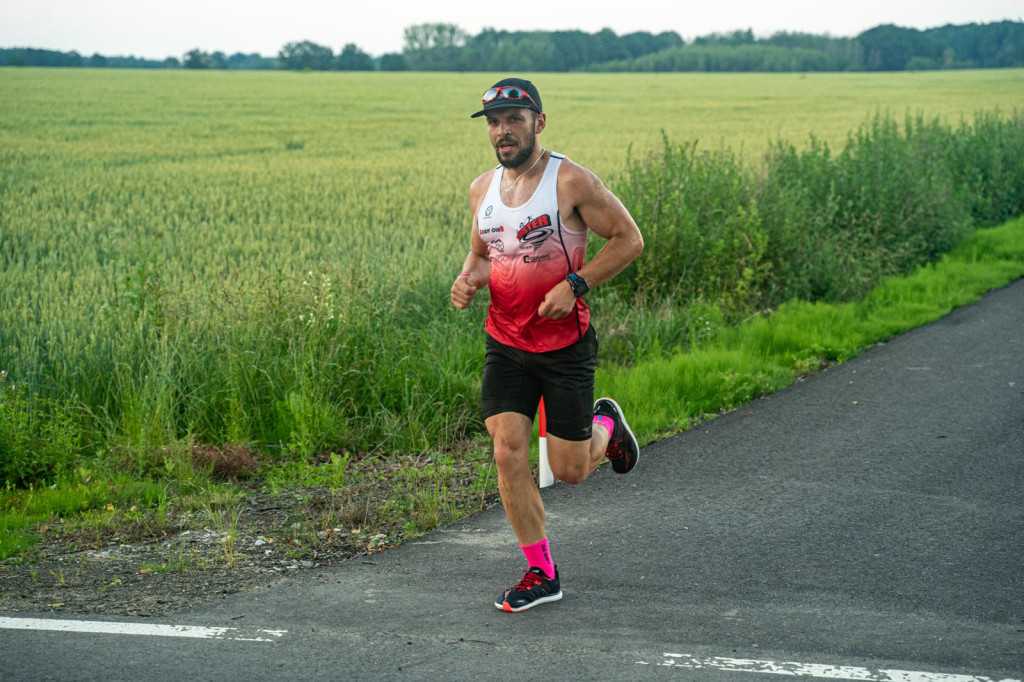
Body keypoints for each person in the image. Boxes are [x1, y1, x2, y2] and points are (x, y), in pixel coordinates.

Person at [450, 77, 645, 612]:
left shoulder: (572, 182)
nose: (503, 130)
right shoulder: (480, 190)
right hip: (505, 342)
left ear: (539, 121)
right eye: (494, 121)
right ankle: (541, 571)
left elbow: (630, 239)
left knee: (570, 471)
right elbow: (483, 254)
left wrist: (576, 283)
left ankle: (606, 424)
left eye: (515, 118)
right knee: (507, 451)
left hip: (564, 345)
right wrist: (467, 280)